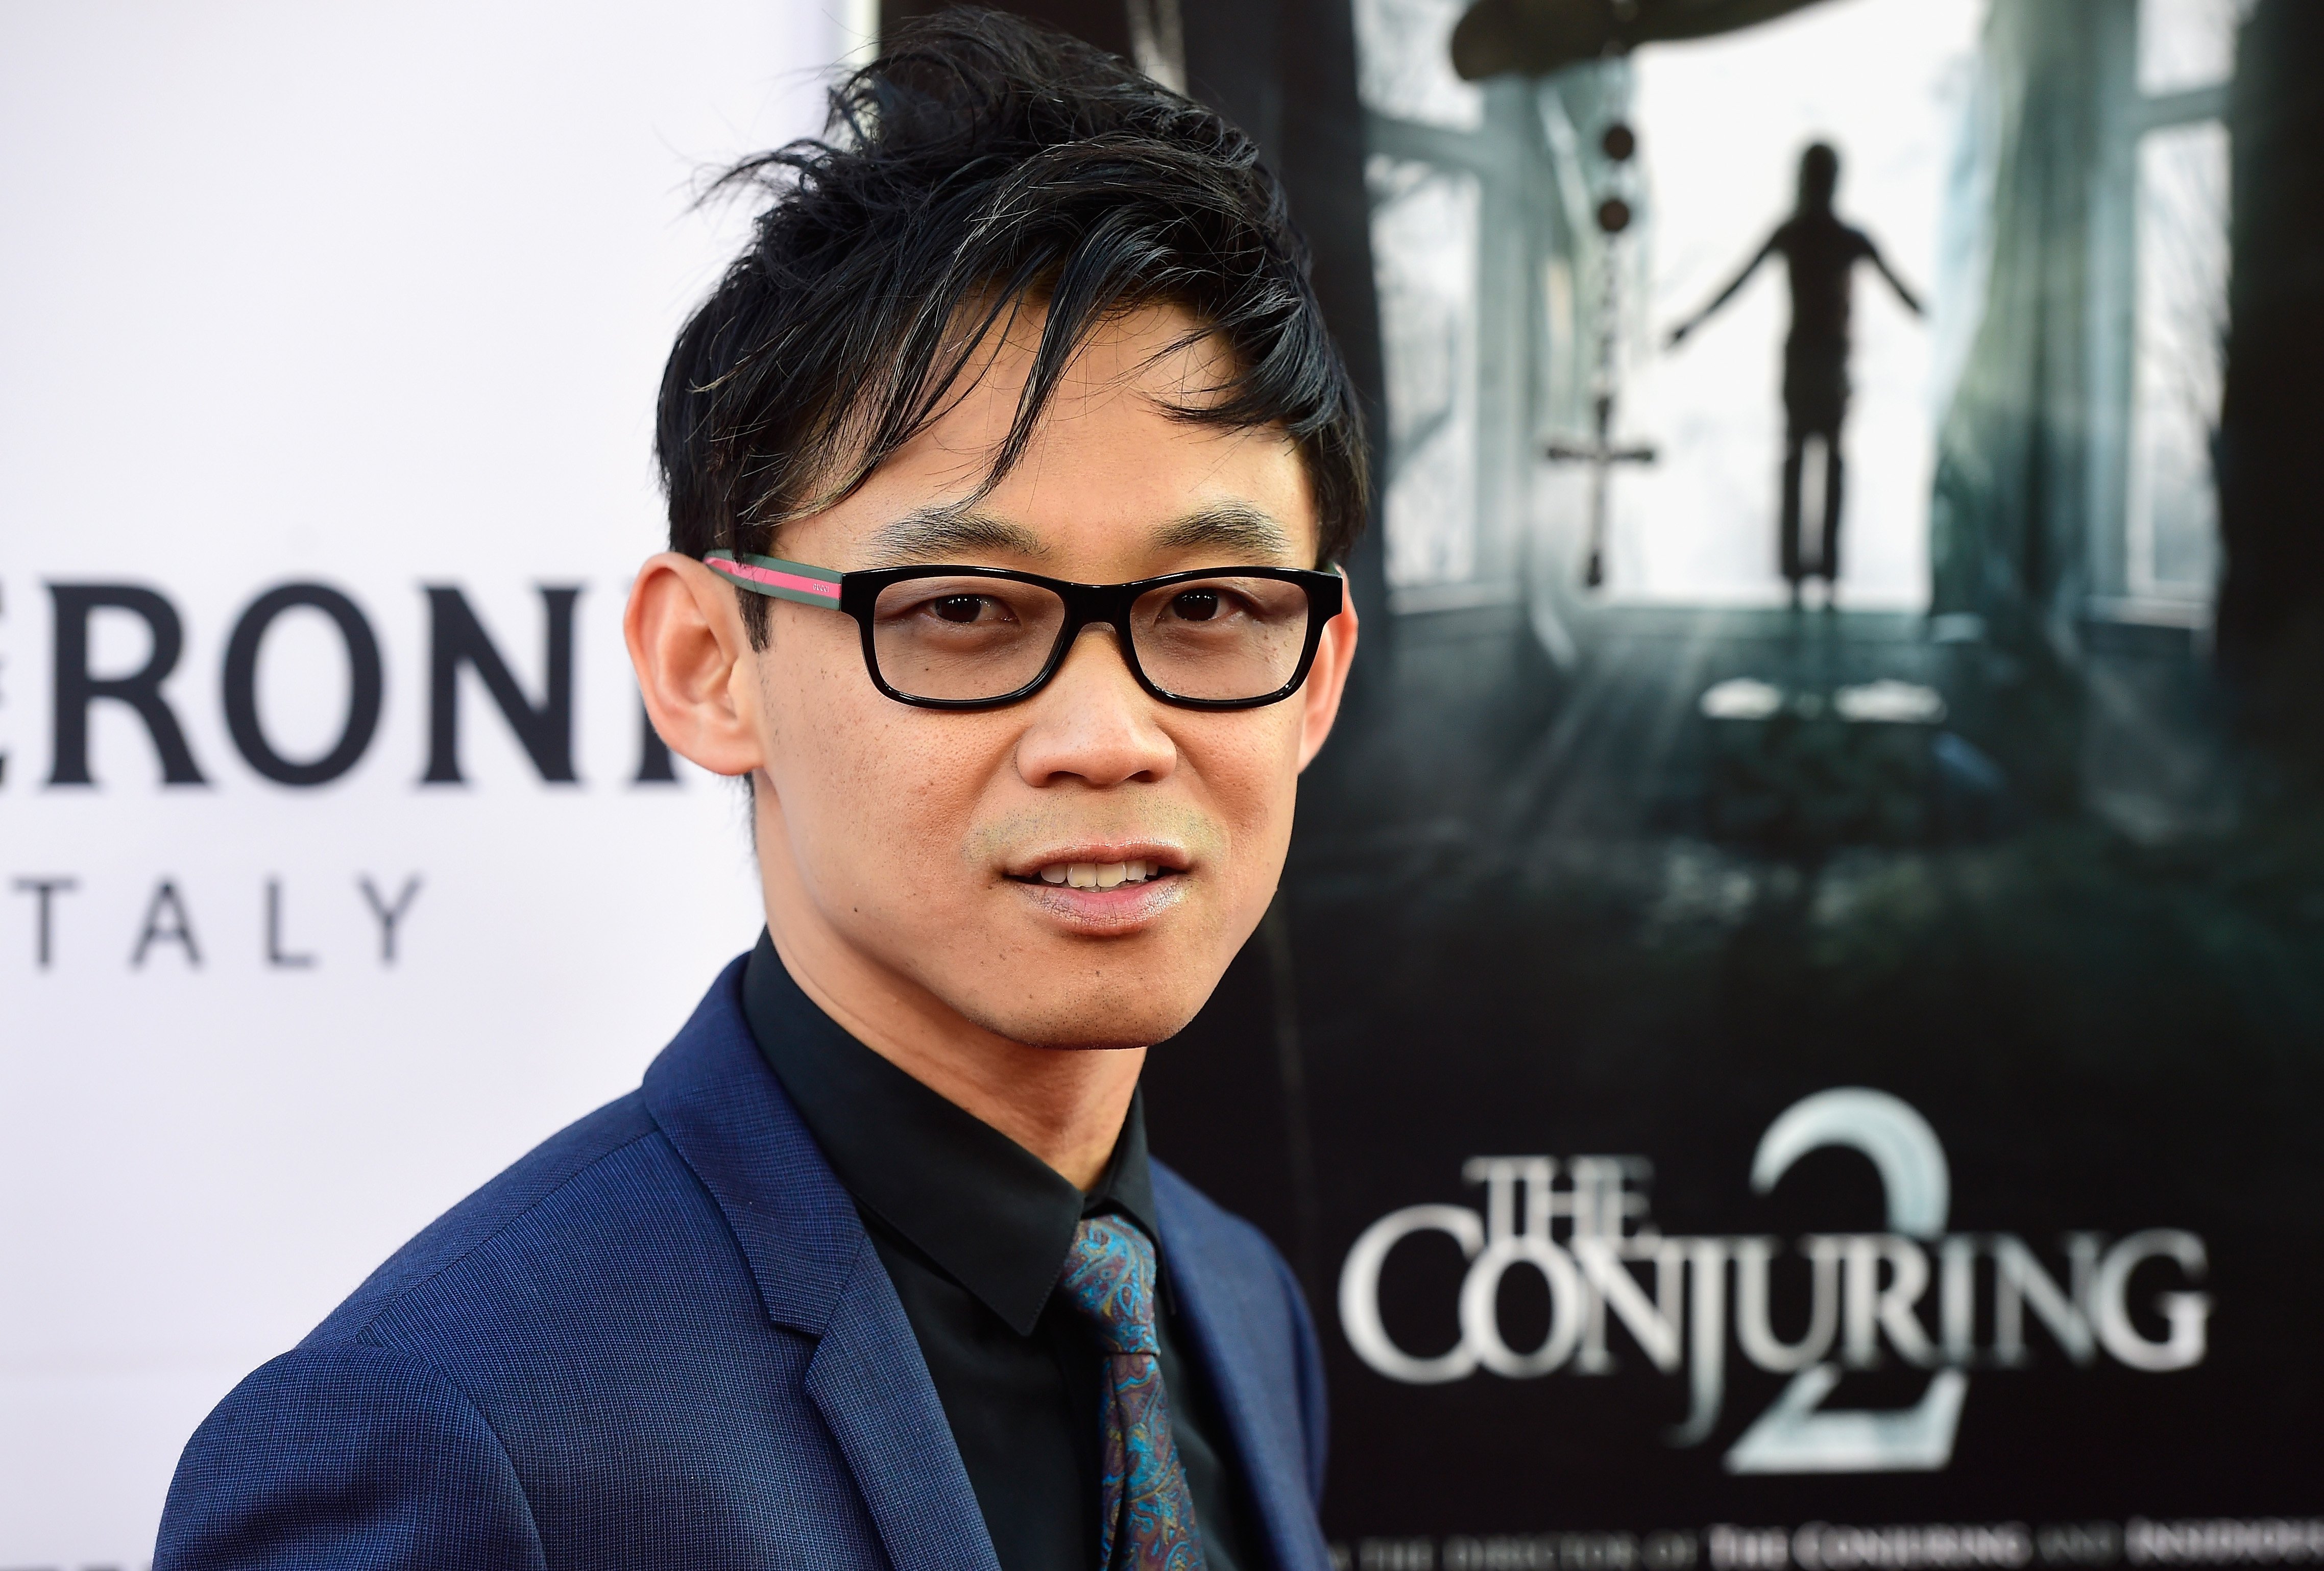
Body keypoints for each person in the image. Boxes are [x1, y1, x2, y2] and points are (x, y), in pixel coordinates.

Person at [153, 13, 1362, 1571]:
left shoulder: (1236, 1299)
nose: (1107, 735)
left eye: (1205, 607)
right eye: (960, 609)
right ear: (710, 664)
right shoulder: (450, 1430)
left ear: (1316, 674)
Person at [1666, 141, 1923, 606]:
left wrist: (1692, 323)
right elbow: (1906, 294)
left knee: (1800, 460)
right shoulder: (1843, 237)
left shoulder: (1798, 233)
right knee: (1826, 463)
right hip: (1827, 364)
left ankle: (1799, 577)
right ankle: (1824, 575)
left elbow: (1735, 284)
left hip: (1807, 363)